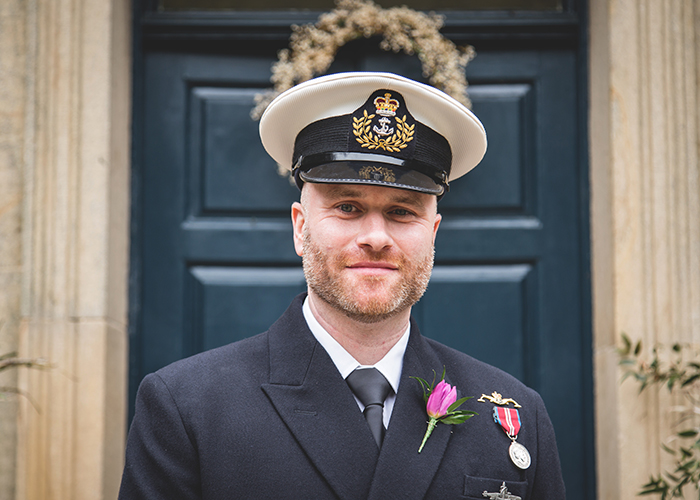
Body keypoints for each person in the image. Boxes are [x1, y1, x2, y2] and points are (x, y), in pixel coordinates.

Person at [118, 72, 566, 499]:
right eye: (348, 206)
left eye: (402, 211)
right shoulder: (187, 407)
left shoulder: (514, 415)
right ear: (300, 227)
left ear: (433, 233)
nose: (376, 236)